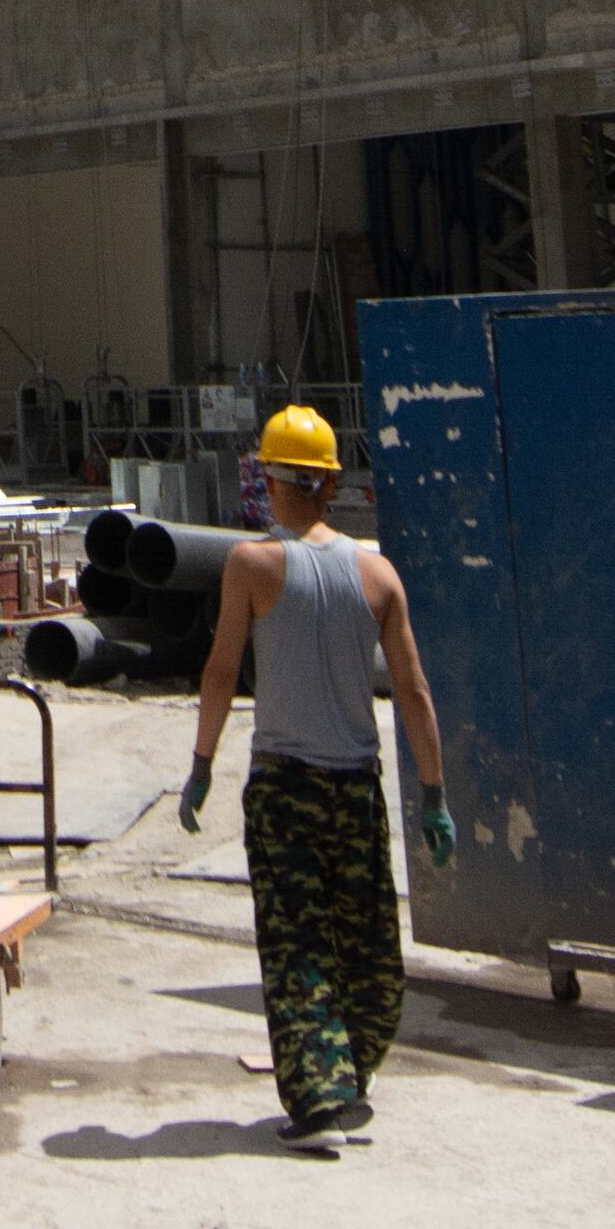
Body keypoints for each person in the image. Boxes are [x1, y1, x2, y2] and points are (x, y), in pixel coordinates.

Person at [177, 405, 458, 1146]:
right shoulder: (378, 574)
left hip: (284, 791)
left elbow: (219, 672)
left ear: (269, 479)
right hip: (356, 790)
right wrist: (434, 793)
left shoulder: (252, 566)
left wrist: (202, 764)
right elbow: (415, 690)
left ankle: (320, 1094)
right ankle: (343, 1073)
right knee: (369, 948)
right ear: (332, 481)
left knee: (298, 946)